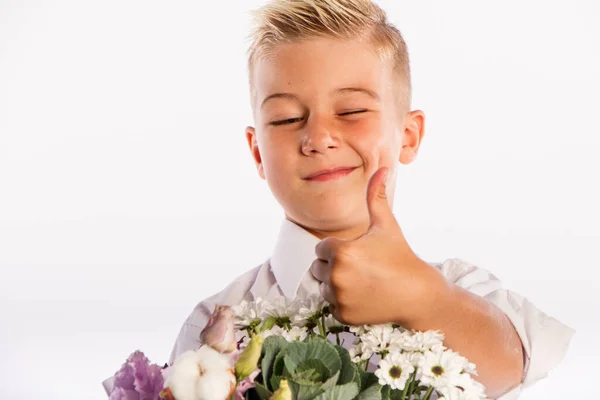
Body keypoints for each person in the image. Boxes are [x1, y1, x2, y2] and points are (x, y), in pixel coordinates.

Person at [169, 0, 574, 398]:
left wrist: (421, 296)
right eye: (287, 119)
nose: (319, 138)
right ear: (257, 152)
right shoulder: (215, 325)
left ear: (409, 136)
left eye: (351, 110)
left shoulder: (460, 287)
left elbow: (508, 364)